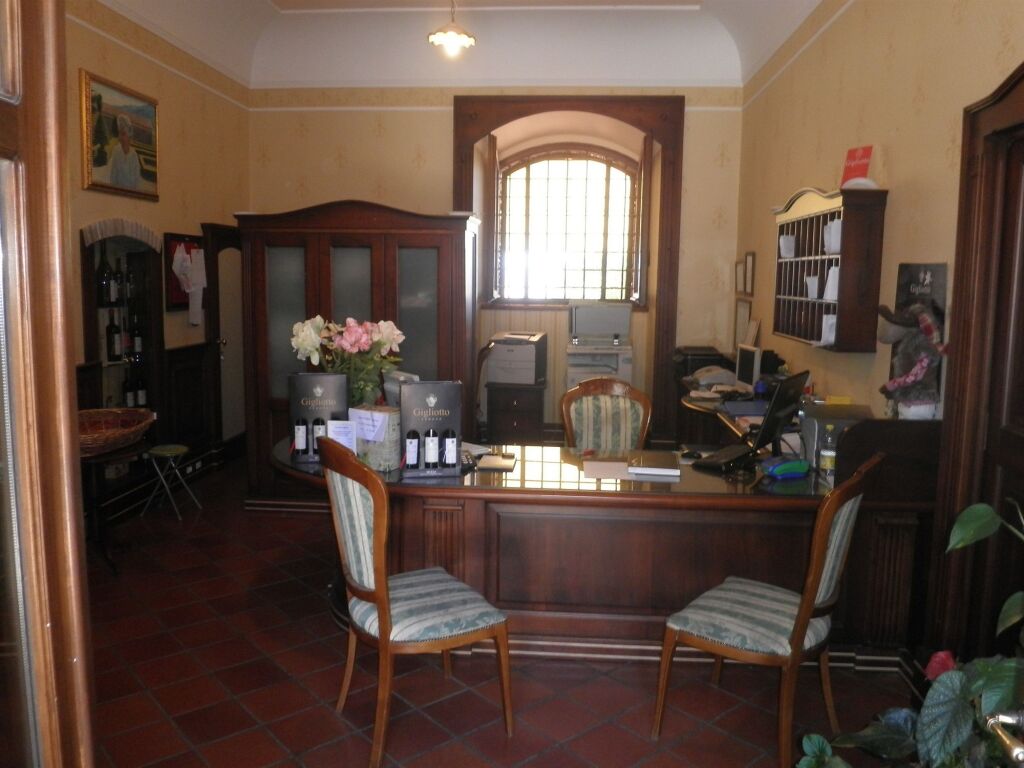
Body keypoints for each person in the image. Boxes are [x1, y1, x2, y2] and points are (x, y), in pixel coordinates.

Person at [108, 113, 141, 190]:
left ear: (129, 135)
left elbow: (136, 180)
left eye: (123, 134)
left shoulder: (134, 155)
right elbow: (113, 176)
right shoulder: (116, 151)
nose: (120, 137)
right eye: (119, 133)